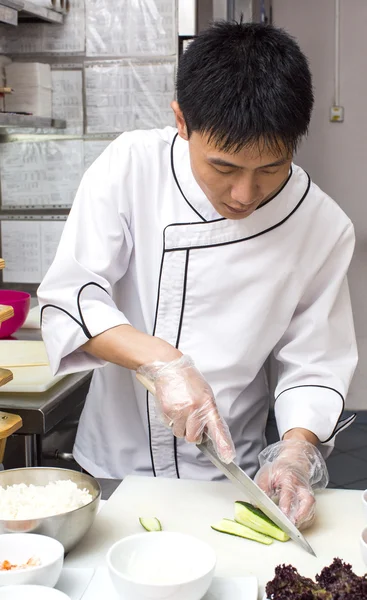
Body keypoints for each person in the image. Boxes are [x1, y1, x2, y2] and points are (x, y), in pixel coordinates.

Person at [38, 21, 358, 530]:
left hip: (231, 478)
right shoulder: (131, 167)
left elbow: (315, 364)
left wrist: (297, 451)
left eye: (271, 169)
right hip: (114, 468)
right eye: (224, 168)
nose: (244, 194)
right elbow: (73, 295)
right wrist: (163, 363)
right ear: (182, 121)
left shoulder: (321, 225)